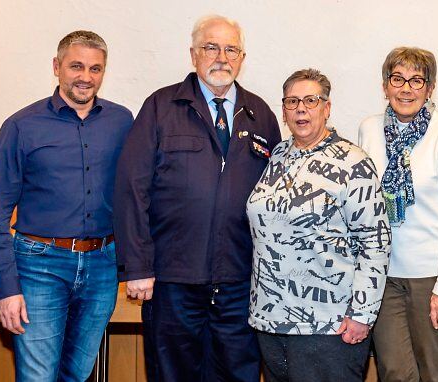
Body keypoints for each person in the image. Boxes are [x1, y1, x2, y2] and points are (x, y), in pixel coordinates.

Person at [113, 14, 282, 382]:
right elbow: (131, 188)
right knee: (173, 374)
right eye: (211, 47)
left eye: (231, 49)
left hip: (240, 281)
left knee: (238, 374)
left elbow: (277, 200)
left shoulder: (261, 115)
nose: (221, 57)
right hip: (172, 279)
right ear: (193, 55)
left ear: (242, 57)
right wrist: (138, 266)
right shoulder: (160, 107)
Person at [0, 30, 133, 381]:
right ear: (56, 67)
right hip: (39, 266)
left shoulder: (123, 122)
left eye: (95, 69)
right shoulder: (22, 126)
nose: (86, 77)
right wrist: (7, 288)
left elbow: (137, 196)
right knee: (38, 376)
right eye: (76, 66)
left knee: (77, 374)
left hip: (102, 265)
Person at [247, 68, 390, 382]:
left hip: (329, 325)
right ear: (283, 111)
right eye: (292, 101)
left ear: (327, 108)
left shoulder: (353, 162)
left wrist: (362, 314)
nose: (301, 108)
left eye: (311, 100)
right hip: (269, 319)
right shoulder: (277, 156)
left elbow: (375, 242)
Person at [357, 47, 438, 382]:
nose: (406, 89)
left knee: (434, 372)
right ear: (385, 85)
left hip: (431, 277)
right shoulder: (368, 129)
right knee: (393, 371)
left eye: (417, 81)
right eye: (398, 79)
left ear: (430, 88)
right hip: (384, 276)